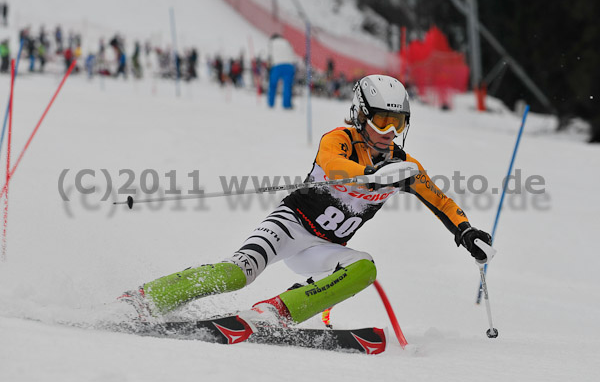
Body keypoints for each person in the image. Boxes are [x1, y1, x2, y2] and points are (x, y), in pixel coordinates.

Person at [119, 74, 492, 327]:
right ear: (361, 114)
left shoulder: (404, 166)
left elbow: (440, 201)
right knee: (236, 274)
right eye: (381, 120)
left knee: (365, 268)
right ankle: (145, 297)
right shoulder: (340, 139)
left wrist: (467, 232)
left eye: (398, 123)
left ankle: (273, 314)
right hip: (289, 225)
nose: (389, 132)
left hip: (325, 249)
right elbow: (331, 165)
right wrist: (369, 176)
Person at [267, 33, 296, 109]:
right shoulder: (286, 42)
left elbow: (270, 56)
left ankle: (271, 103)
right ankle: (286, 104)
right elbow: (292, 54)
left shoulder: (272, 43)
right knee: (287, 86)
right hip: (289, 65)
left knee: (273, 85)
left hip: (277, 65)